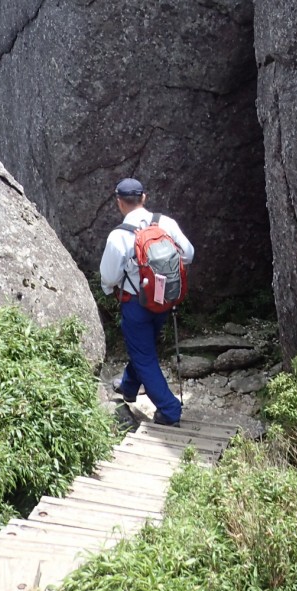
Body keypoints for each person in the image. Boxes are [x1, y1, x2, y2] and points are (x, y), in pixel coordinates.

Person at [100, 177, 194, 426]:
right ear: (144, 198)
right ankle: (128, 388)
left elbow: (108, 276)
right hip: (164, 299)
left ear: (119, 203)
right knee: (143, 349)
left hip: (136, 303)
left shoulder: (119, 236)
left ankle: (170, 410)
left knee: (144, 356)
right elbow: (189, 254)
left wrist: (110, 290)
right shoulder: (165, 223)